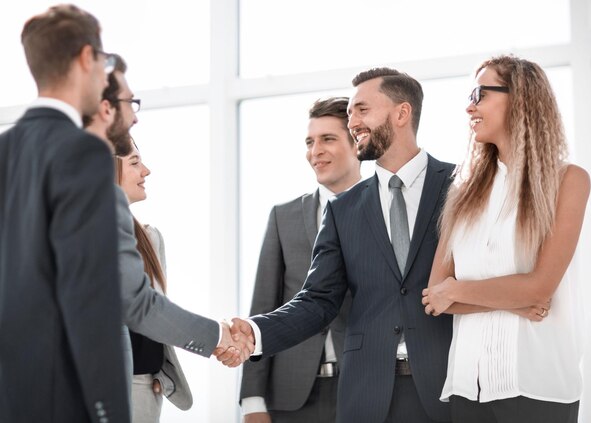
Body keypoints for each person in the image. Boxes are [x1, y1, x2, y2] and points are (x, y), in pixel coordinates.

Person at [229, 68, 455, 423]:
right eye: (349, 113)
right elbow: (318, 300)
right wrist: (257, 331)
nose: (353, 122)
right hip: (368, 393)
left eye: (362, 110)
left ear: (401, 113)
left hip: (448, 387)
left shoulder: (460, 186)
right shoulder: (343, 210)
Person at [421, 55, 590, 423]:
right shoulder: (462, 192)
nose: (470, 106)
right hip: (467, 387)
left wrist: (462, 290)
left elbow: (537, 289)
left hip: (538, 387)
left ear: (521, 98)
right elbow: (435, 296)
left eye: (480, 93)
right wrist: (512, 301)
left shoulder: (569, 181)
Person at [83, 53, 250, 380]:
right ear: (106, 108)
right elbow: (139, 305)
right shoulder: (98, 200)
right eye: (131, 103)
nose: (135, 117)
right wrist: (217, 335)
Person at [0, 4, 130, 422]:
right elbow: (90, 296)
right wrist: (109, 412)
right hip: (61, 398)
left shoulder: (4, 148)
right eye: (105, 61)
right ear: (85, 58)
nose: (104, 74)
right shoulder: (83, 150)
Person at [240, 97, 361, 423]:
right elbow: (263, 305)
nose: (315, 151)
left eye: (328, 139)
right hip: (291, 396)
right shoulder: (284, 216)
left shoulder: (383, 212)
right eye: (310, 142)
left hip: (364, 387)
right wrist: (252, 400)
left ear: (357, 144)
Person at [114, 141, 193, 422]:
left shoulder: (150, 238)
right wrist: (217, 338)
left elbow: (155, 313)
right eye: (135, 162)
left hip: (145, 389)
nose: (146, 171)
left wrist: (158, 373)